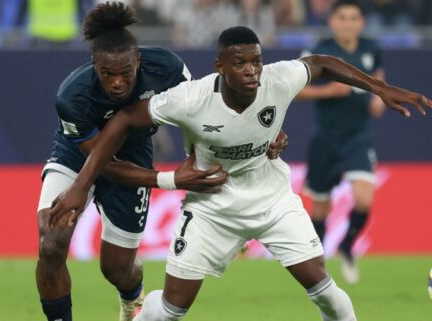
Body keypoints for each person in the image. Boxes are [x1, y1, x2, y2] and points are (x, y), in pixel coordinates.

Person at [50, 26, 432, 320]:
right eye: (240, 63)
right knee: (170, 310)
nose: (251, 71)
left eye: (256, 61)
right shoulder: (191, 98)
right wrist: (81, 187)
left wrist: (378, 87)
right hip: (211, 207)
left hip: (271, 200)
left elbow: (320, 64)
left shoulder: (277, 79)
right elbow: (123, 122)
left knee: (323, 289)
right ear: (219, 67)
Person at [36, 3, 287, 321]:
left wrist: (262, 133)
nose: (116, 82)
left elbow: (205, 115)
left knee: (116, 268)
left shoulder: (167, 68)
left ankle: (131, 297)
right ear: (94, 65)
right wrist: (171, 180)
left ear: (138, 61)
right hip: (76, 156)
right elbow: (103, 162)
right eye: (107, 74)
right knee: (51, 241)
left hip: (134, 153)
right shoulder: (71, 97)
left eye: (125, 72)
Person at [296, 0, 385, 285]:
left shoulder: (371, 49)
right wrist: (329, 91)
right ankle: (317, 265)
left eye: (353, 18)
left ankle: (347, 245)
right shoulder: (319, 52)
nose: (348, 23)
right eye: (342, 18)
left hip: (358, 137)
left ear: (361, 23)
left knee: (364, 198)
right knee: (321, 208)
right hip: (326, 138)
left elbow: (379, 81)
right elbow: (295, 89)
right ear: (332, 22)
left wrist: (379, 98)